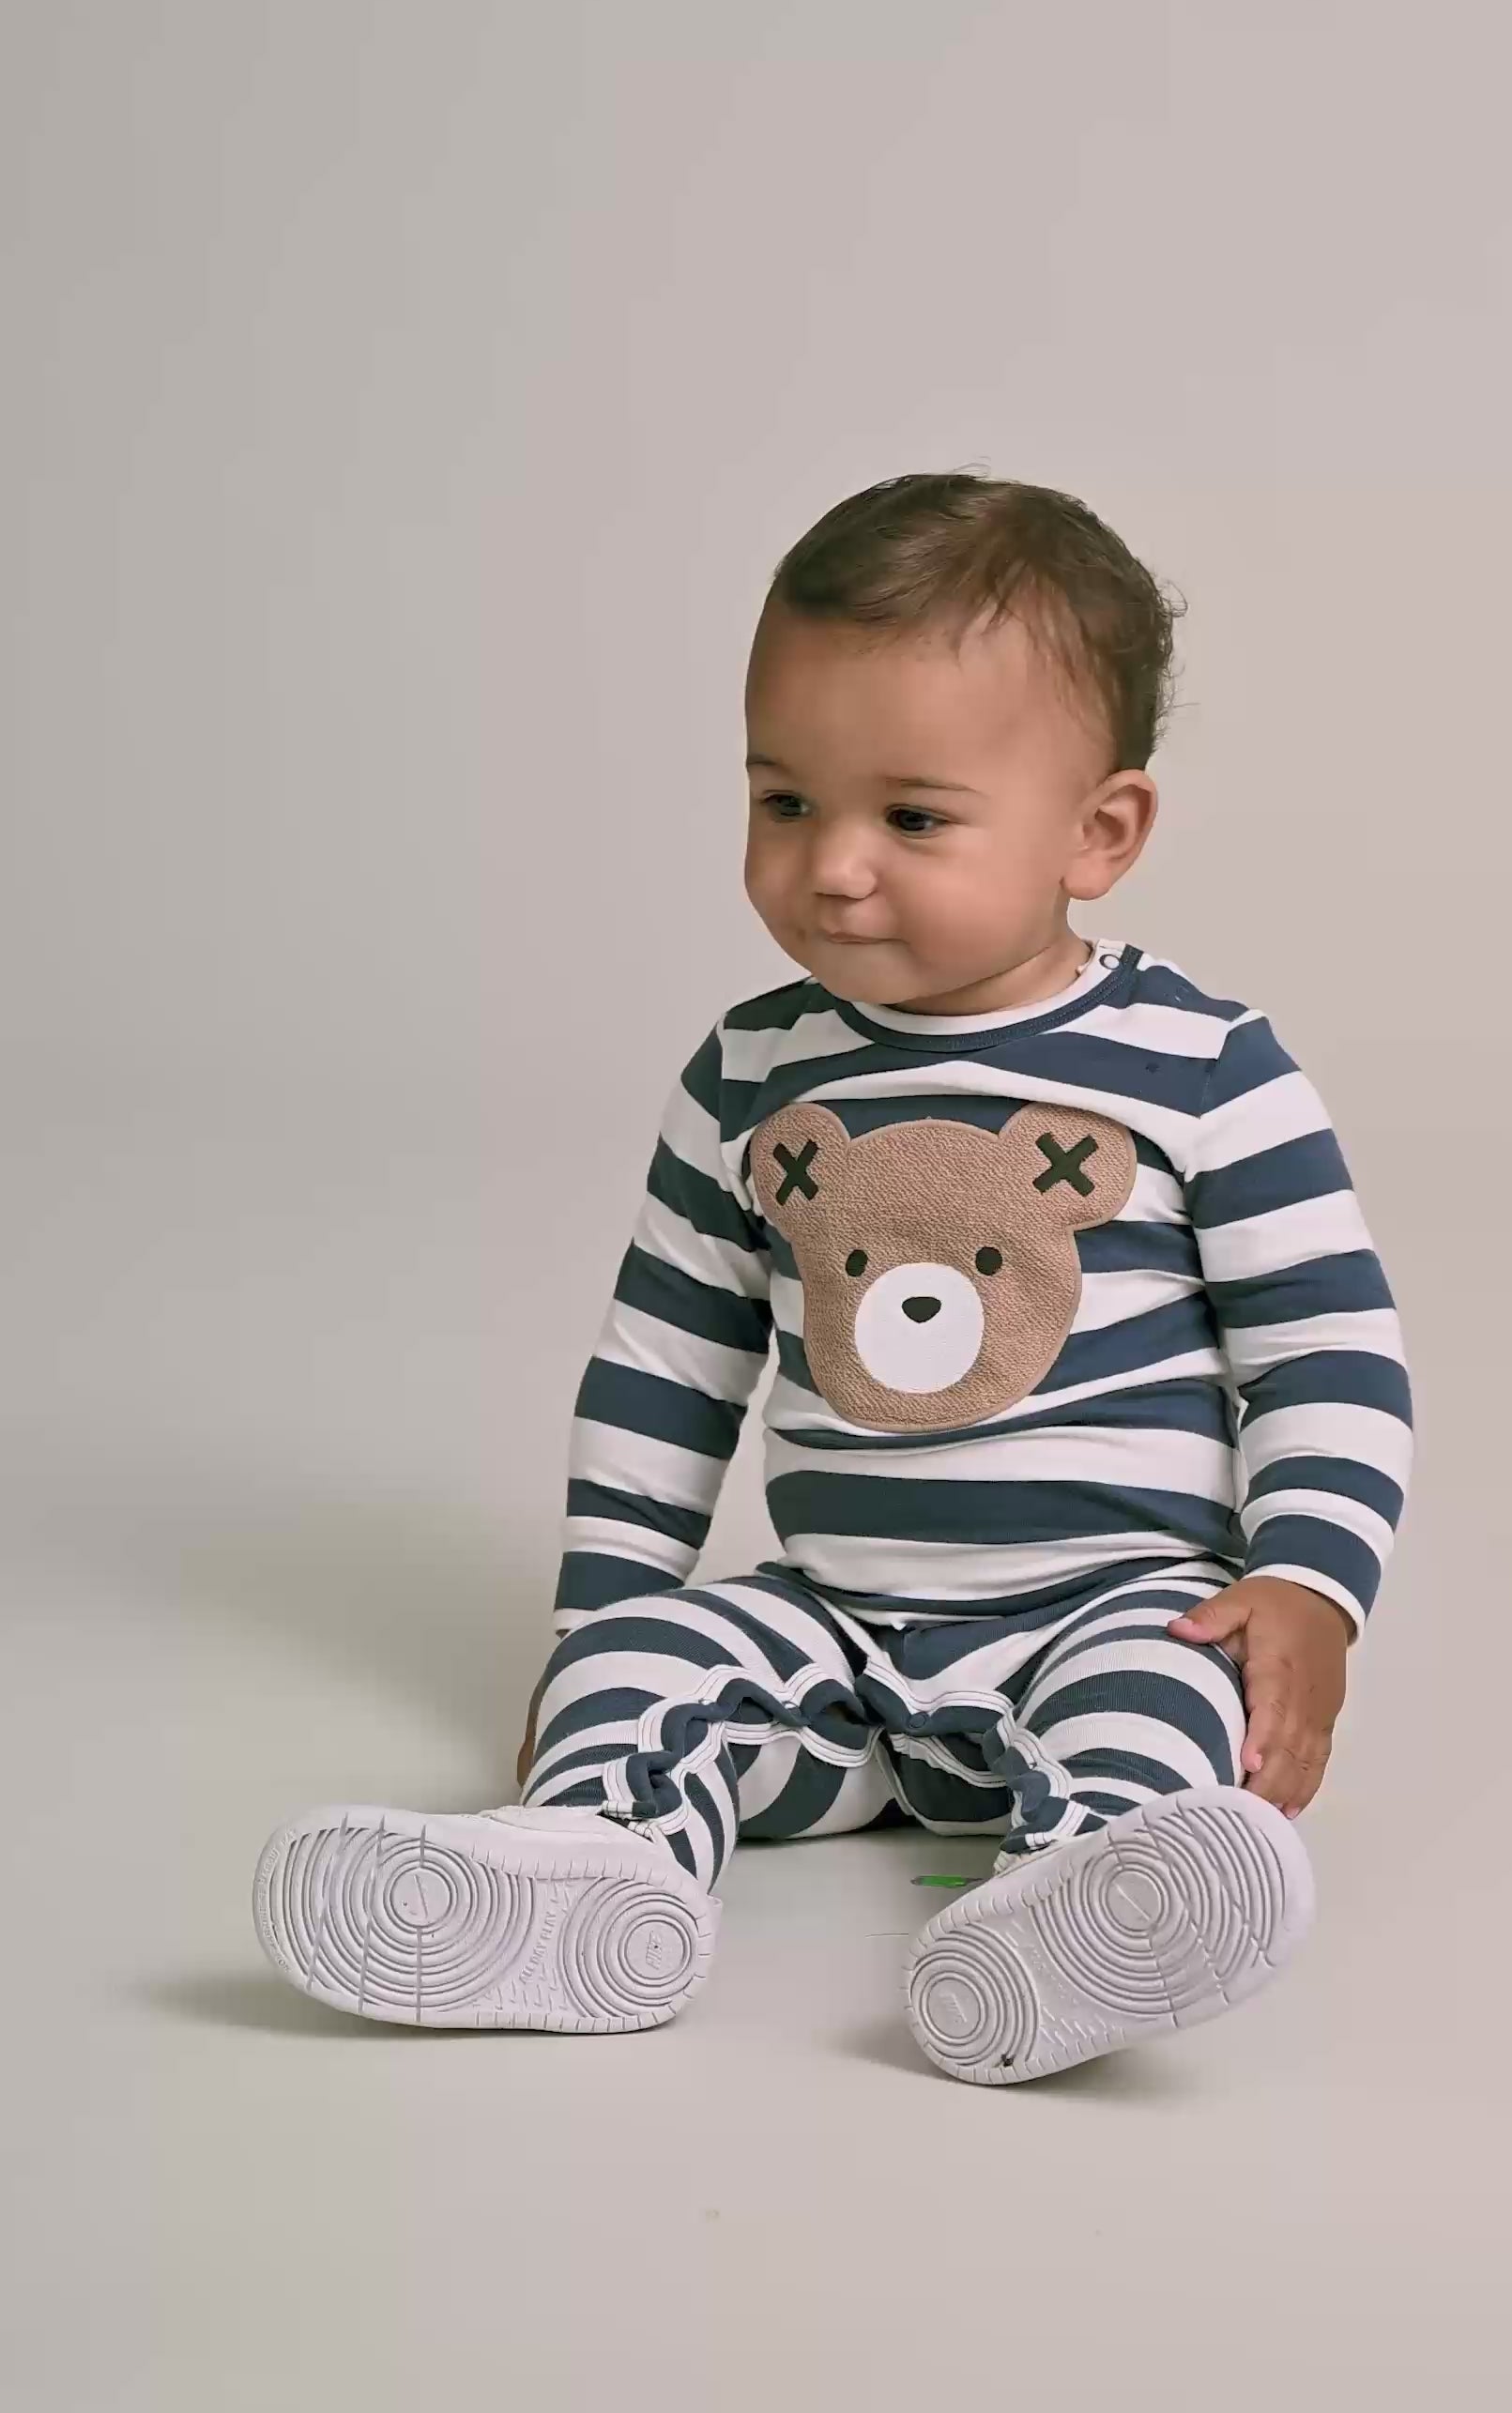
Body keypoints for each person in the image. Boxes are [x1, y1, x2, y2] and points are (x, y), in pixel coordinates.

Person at [252, 470, 1413, 2083]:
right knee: (648, 1663)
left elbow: (1328, 1355)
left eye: (913, 818)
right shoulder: (751, 1075)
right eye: (785, 801)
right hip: (842, 1641)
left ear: (1099, 832)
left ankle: (1085, 1906)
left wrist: (1310, 1586)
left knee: (1171, 1695)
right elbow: (665, 1368)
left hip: (1110, 1607)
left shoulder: (1206, 1070)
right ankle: (593, 1872)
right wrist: (599, 1625)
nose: (835, 866)